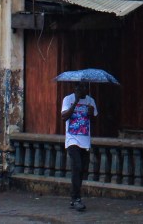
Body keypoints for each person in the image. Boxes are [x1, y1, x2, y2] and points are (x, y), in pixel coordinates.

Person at [61, 81, 97, 211]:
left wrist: (91, 113)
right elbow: (64, 117)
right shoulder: (68, 99)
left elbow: (94, 121)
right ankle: (76, 199)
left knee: (81, 170)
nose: (79, 89)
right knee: (77, 166)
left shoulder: (90, 101)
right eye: (77, 87)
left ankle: (74, 197)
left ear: (86, 88)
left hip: (85, 140)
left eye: (82, 87)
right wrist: (75, 102)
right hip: (72, 139)